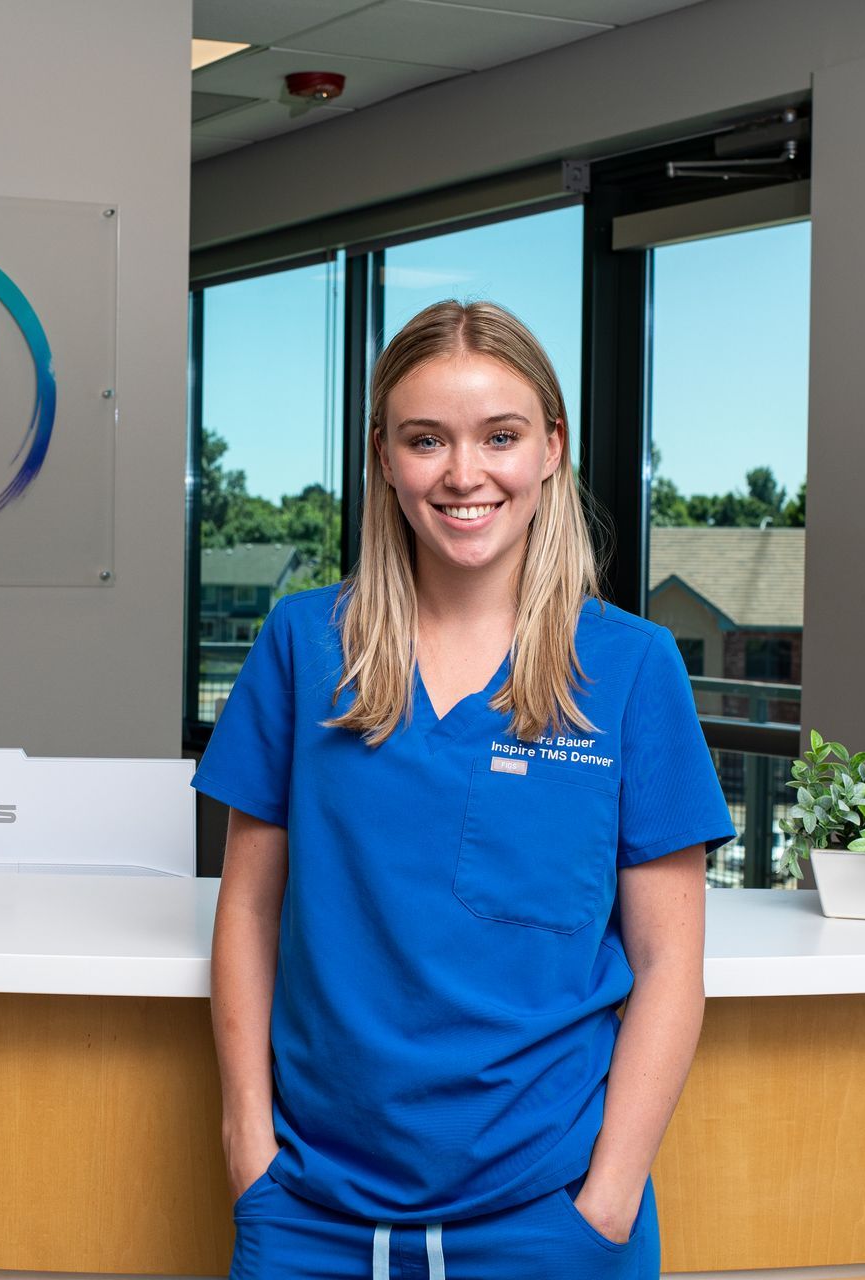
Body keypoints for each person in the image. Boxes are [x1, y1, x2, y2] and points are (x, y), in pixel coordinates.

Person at [195, 300, 734, 1278]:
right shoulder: (303, 647)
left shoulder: (632, 667)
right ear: (384, 457)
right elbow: (248, 911)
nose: (463, 473)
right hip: (311, 1211)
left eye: (500, 436)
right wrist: (249, 1152)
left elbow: (669, 962)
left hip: (552, 1216)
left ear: (552, 448)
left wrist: (606, 1202)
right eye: (426, 439)